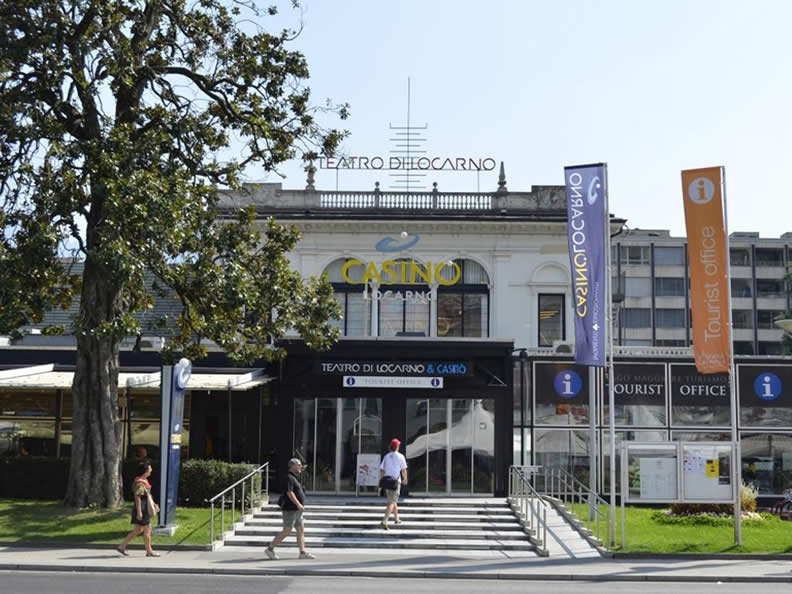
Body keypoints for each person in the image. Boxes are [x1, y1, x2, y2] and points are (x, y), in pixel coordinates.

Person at [265, 458, 315, 560]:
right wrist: (298, 504)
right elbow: (289, 492)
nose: (301, 467)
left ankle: (302, 552)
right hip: (290, 509)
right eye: (299, 465)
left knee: (300, 529)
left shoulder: (294, 478)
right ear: (292, 466)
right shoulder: (288, 478)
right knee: (287, 530)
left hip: (296, 510)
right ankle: (270, 549)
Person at [116, 461, 160, 557]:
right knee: (146, 529)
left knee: (138, 530)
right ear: (145, 471)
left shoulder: (143, 481)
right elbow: (138, 498)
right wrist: (139, 512)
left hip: (144, 508)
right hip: (142, 509)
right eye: (149, 468)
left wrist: (154, 504)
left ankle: (122, 546)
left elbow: (148, 496)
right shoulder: (140, 483)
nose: (151, 470)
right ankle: (149, 551)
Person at [379, 437, 408, 530]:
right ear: (397, 447)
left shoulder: (386, 456)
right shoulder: (400, 456)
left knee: (393, 500)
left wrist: (381, 481)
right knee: (391, 502)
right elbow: (403, 470)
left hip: (387, 482)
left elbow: (382, 470)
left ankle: (396, 518)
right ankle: (385, 520)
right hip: (395, 482)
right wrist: (405, 479)